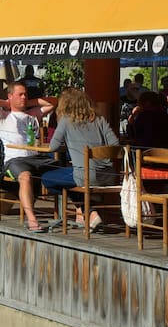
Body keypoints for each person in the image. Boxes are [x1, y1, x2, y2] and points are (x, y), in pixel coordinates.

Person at [40, 89, 120, 232]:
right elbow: (115, 146)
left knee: (47, 178)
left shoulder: (65, 121)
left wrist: (70, 143)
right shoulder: (99, 119)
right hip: (109, 175)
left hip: (86, 176)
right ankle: (86, 211)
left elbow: (53, 147)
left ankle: (89, 211)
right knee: (73, 177)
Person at [0, 82, 57, 233]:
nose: (24, 97)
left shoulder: (32, 115)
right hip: (14, 159)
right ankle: (32, 220)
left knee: (62, 169)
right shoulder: (3, 116)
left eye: (26, 94)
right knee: (25, 177)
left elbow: (54, 102)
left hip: (36, 157)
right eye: (20, 94)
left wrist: (28, 102)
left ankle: (80, 214)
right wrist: (8, 103)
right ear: (10, 96)